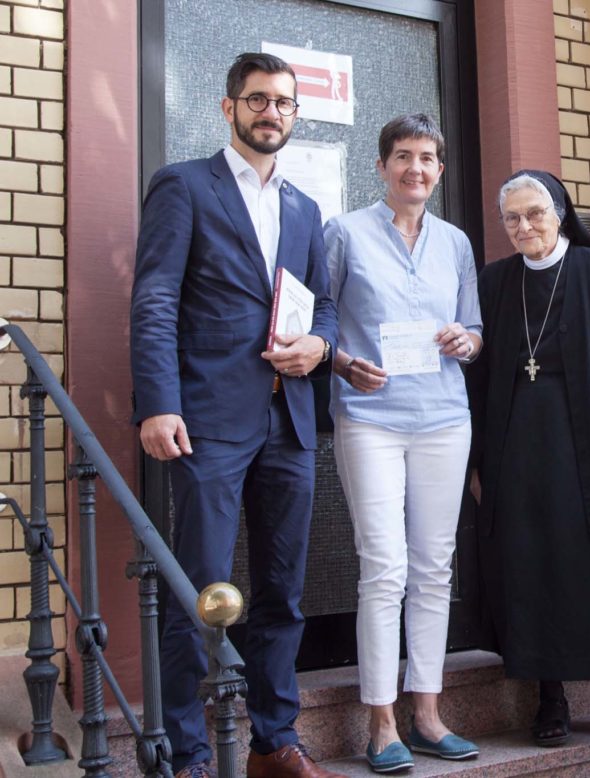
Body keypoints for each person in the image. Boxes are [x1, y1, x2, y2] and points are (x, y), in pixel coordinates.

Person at [130, 52, 343, 778]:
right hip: (209, 420)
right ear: (229, 108)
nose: (271, 113)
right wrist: (158, 403)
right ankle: (184, 752)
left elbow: (325, 306)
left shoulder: (304, 208)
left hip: (290, 423)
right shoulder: (185, 185)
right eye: (257, 100)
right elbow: (155, 299)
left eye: (283, 102)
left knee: (283, 592)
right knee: (201, 589)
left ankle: (274, 740)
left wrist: (320, 345)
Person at [466, 169, 590, 747]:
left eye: (535, 214)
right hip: (517, 449)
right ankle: (548, 699)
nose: (524, 226)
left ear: (559, 212)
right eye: (512, 218)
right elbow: (479, 377)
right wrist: (477, 462)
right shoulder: (496, 281)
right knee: (530, 566)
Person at [324, 113, 482, 774]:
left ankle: (427, 714)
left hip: (444, 417)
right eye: (403, 156)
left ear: (439, 170)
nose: (415, 168)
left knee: (434, 568)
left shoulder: (455, 243)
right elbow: (318, 318)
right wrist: (340, 362)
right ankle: (381, 722)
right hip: (371, 418)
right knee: (384, 567)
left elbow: (474, 329)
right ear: (382, 165)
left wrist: (465, 340)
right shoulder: (344, 233)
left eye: (426, 158)